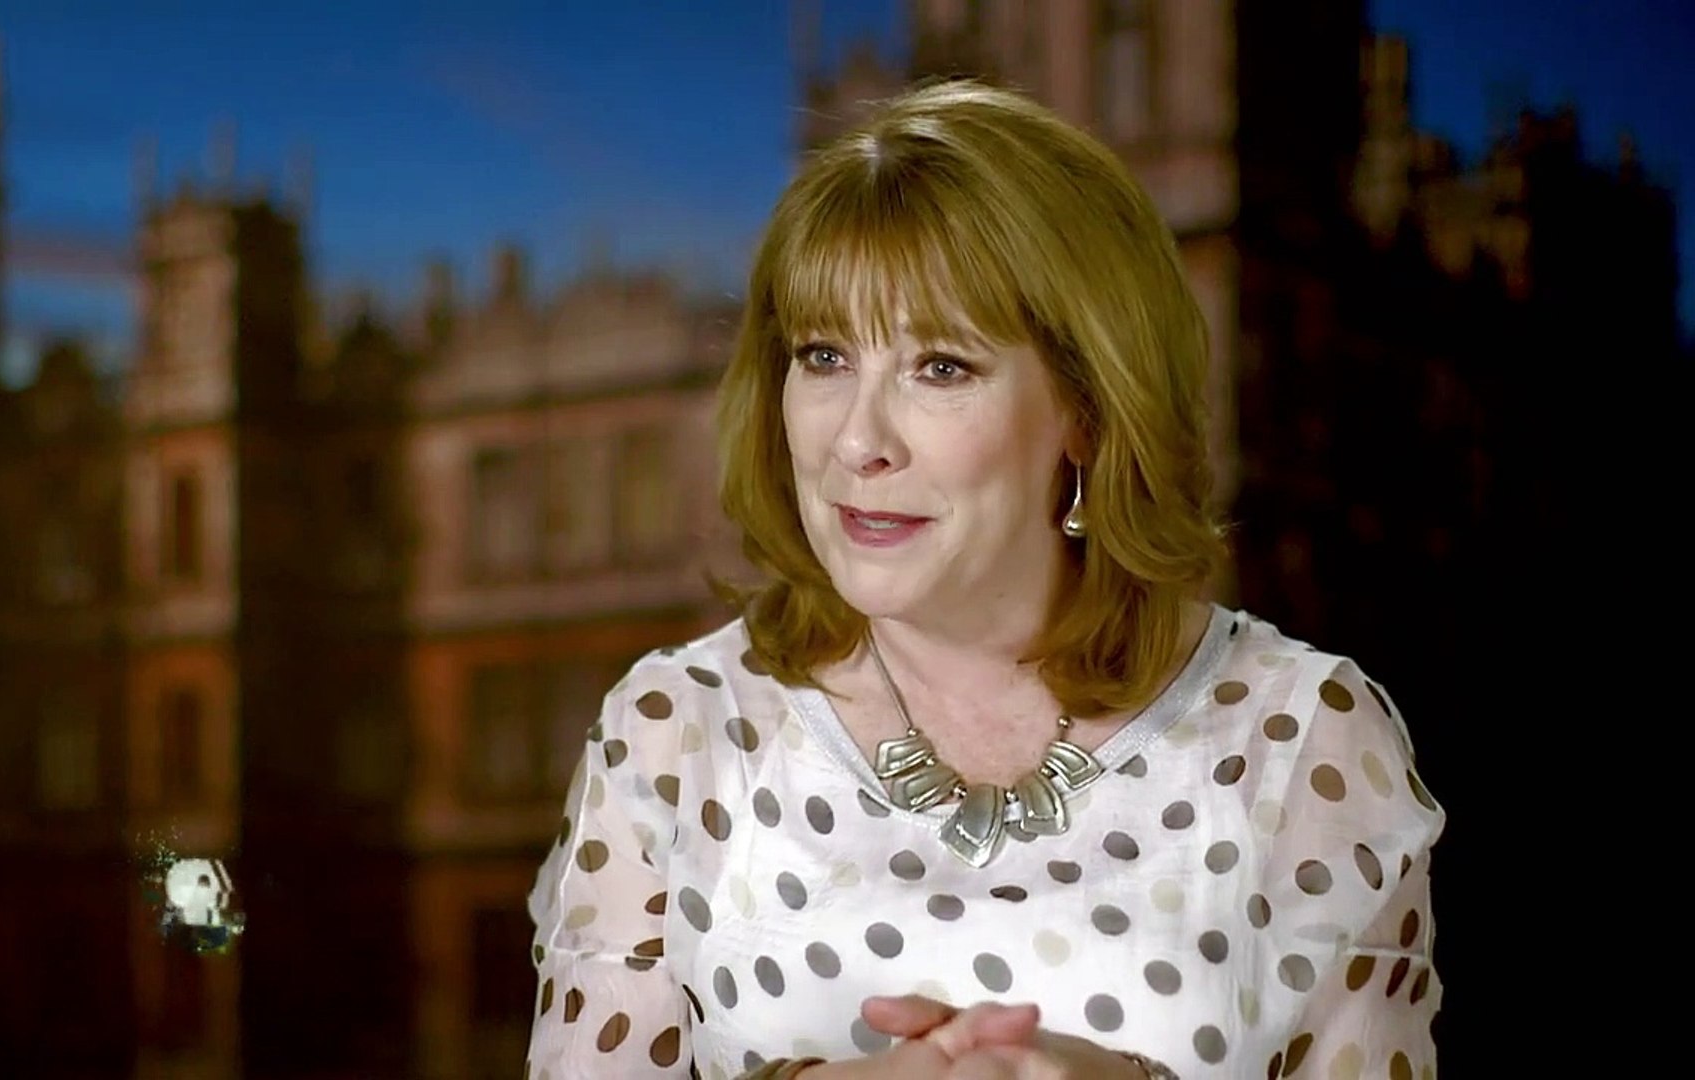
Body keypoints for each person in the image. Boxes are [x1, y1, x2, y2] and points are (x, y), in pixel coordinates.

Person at [524, 80, 1444, 1080]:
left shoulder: (1305, 739)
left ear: (1089, 407)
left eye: (941, 367)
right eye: (824, 356)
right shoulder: (675, 730)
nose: (858, 441)